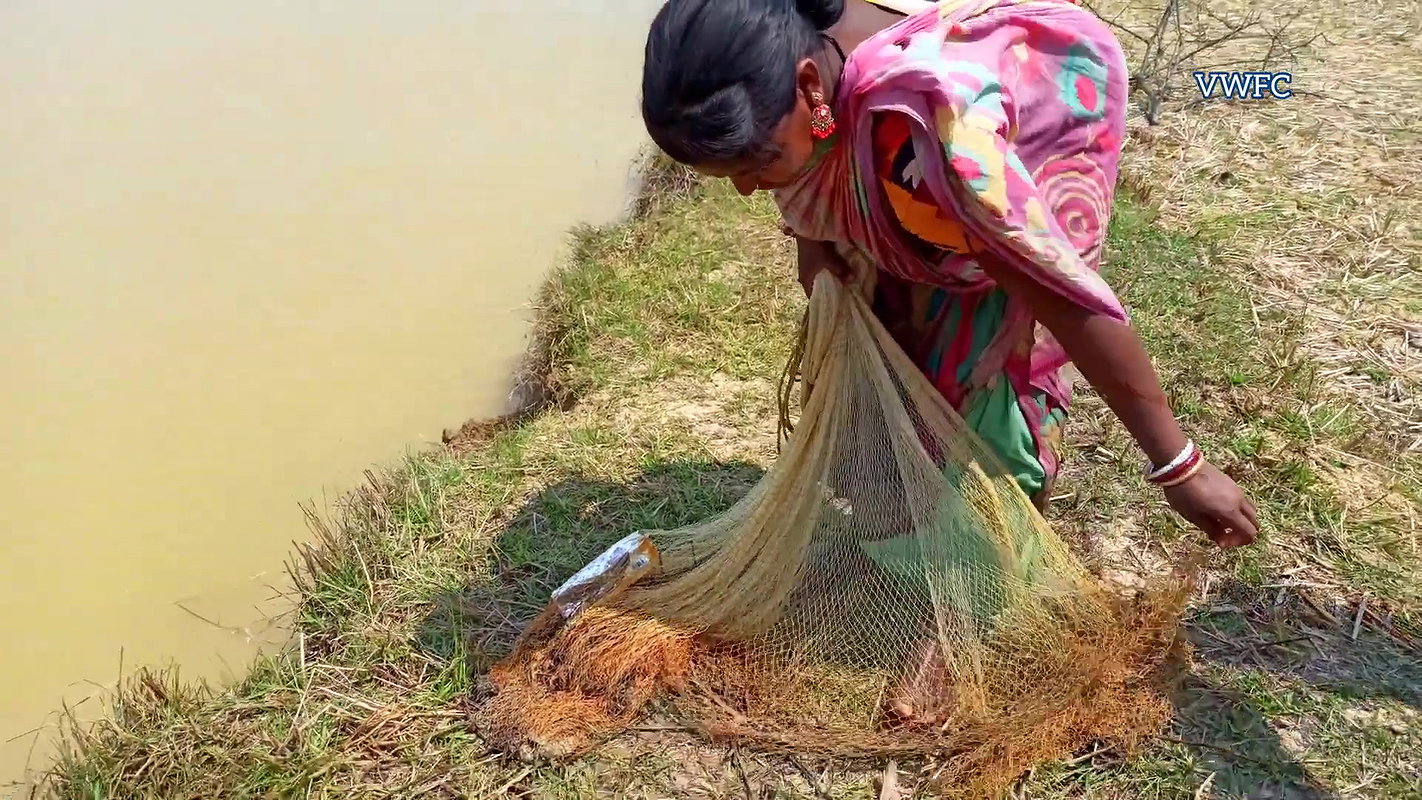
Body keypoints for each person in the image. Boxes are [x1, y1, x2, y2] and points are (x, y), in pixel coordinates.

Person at [640, 0, 1258, 548]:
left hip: (996, 193)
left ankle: (980, 581)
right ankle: (910, 536)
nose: (747, 189)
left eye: (757, 163)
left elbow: (1063, 298)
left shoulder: (925, 139)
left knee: (989, 421)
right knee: (889, 403)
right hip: (914, 207)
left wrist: (1179, 465)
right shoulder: (805, 70)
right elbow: (826, 172)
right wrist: (816, 244)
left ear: (809, 89)